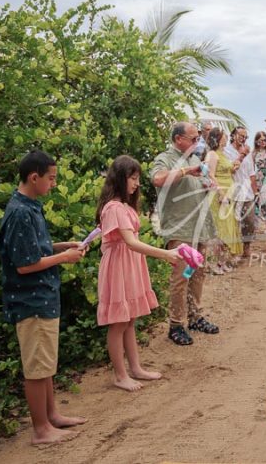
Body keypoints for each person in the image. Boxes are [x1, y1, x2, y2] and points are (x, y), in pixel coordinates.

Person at [0, 150, 87, 444]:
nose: (53, 184)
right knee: (37, 368)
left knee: (45, 363)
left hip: (43, 298)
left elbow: (36, 248)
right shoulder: (21, 212)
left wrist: (64, 245)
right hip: (31, 301)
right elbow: (24, 265)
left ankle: (51, 416)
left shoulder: (29, 206)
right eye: (51, 179)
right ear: (34, 177)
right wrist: (64, 257)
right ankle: (41, 430)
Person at [96, 155, 183, 391]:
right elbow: (130, 242)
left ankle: (135, 368)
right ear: (120, 179)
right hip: (119, 266)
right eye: (132, 178)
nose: (136, 184)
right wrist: (165, 254)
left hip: (130, 263)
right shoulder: (113, 207)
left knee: (130, 318)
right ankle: (119, 374)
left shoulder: (123, 206)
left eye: (137, 179)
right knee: (118, 322)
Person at [151, 122, 219, 346]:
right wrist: (188, 171)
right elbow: (158, 179)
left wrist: (209, 184)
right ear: (178, 139)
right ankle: (176, 324)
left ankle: (195, 316)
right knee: (181, 277)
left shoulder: (194, 158)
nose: (197, 142)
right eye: (193, 139)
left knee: (197, 273)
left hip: (199, 226)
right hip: (180, 229)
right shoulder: (165, 158)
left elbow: (202, 181)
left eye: (198, 139)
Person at [206, 128, 243, 272]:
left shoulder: (222, 154)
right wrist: (221, 193)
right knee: (219, 230)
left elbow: (225, 171)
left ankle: (221, 261)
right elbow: (210, 175)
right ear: (217, 138)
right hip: (219, 195)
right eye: (224, 136)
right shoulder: (212, 154)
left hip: (229, 193)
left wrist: (234, 167)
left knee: (227, 229)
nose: (226, 138)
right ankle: (213, 263)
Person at [225, 126, 258, 259]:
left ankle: (247, 246)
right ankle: (232, 249)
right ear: (233, 136)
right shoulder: (226, 151)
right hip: (233, 190)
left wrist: (256, 191)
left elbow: (252, 173)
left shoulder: (249, 152)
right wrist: (242, 155)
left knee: (249, 221)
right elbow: (230, 169)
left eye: (245, 137)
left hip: (247, 191)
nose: (243, 139)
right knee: (234, 222)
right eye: (241, 135)